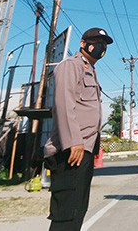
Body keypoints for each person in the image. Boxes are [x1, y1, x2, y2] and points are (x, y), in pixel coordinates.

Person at [43, 27, 113, 230]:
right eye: (96, 42)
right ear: (83, 43)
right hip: (71, 150)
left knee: (77, 210)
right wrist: (73, 141)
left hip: (83, 149)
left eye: (105, 44)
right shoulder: (70, 66)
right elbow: (64, 105)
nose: (101, 47)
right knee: (66, 213)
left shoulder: (90, 70)